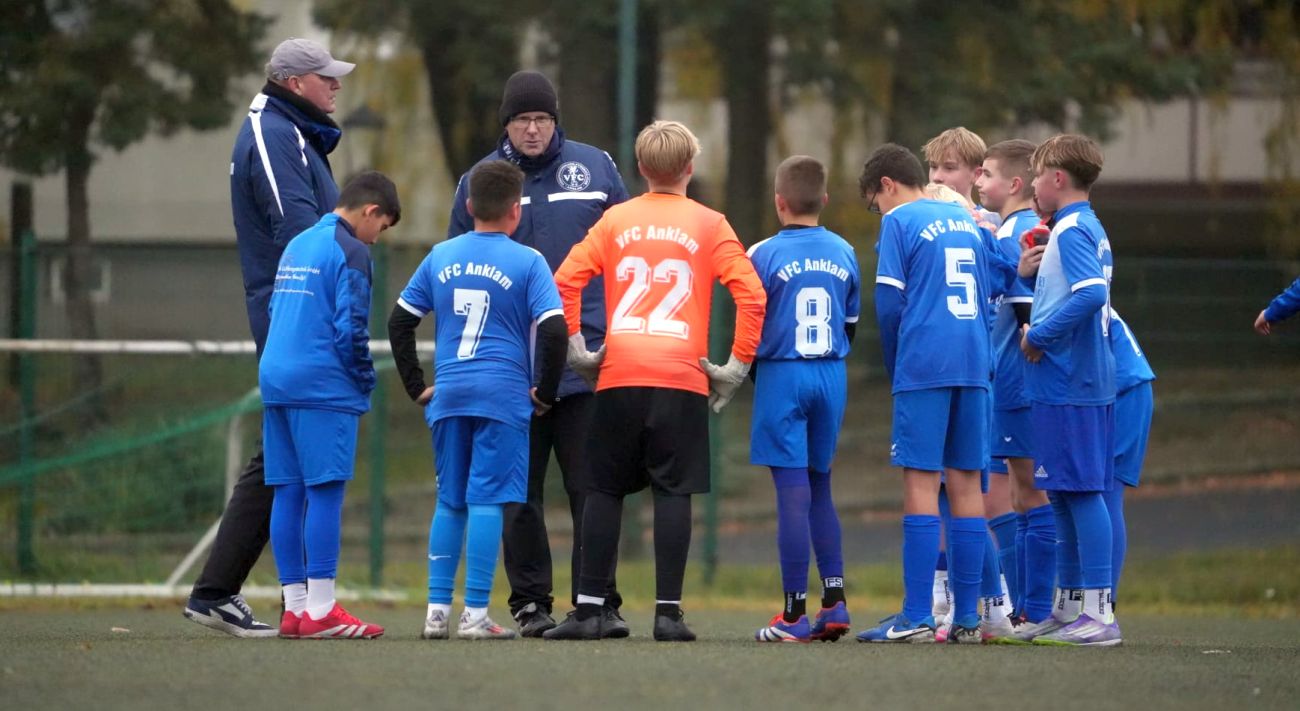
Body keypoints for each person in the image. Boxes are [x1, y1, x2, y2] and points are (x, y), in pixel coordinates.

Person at [543, 120, 766, 641]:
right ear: (690, 167)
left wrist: (578, 349)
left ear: (641, 168)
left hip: (620, 372)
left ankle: (589, 610)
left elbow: (565, 281)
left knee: (600, 488)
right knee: (673, 490)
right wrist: (735, 366)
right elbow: (752, 295)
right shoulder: (711, 224)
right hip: (680, 376)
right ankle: (668, 614)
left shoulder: (615, 220)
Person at [447, 70, 630, 637]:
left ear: (556, 120)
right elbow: (459, 266)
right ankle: (530, 602)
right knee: (517, 493)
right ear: (506, 123)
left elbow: (627, 247)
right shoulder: (478, 181)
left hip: (583, 361)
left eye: (542, 119)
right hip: (509, 367)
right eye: (522, 120)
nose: (532, 130)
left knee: (590, 487)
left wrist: (611, 334)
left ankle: (596, 600)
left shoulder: (596, 167)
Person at [185, 37, 355, 637]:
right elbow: (299, 237)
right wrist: (329, 315)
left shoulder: (292, 129)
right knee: (285, 459)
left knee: (281, 457)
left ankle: (252, 595)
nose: (336, 86)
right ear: (291, 81)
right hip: (294, 317)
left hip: (293, 314)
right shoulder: (274, 132)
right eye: (325, 78)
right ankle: (286, 600)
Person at [389, 161, 568, 641]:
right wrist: (546, 392)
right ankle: (474, 615)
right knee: (488, 500)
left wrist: (415, 384)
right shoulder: (528, 261)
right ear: (516, 211)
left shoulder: (440, 255)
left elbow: (399, 321)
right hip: (502, 395)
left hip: (450, 391)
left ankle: (435, 614)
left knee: (450, 502)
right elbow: (554, 329)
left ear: (468, 208)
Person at [855, 144, 993, 645]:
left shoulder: (900, 222)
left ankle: (915, 615)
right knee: (965, 485)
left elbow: (889, 304)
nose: (879, 212)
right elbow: (985, 290)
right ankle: (969, 619)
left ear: (888, 185)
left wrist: (897, 364)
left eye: (875, 202)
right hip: (974, 359)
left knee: (919, 481)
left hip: (927, 361)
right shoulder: (964, 218)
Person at [259, 171, 400, 640]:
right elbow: (351, 328)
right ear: (370, 212)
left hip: (276, 377)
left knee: (288, 490)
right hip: (321, 384)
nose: (378, 239)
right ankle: (321, 609)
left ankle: (296, 609)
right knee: (324, 492)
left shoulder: (299, 242)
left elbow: (276, 310)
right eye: (382, 227)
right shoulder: (352, 252)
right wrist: (364, 381)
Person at [1012, 134, 1120, 646]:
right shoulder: (1077, 228)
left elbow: (1092, 294)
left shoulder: (1074, 227)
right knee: (1060, 492)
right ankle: (1069, 606)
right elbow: (1073, 292)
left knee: (1079, 492)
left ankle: (1099, 613)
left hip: (1072, 381)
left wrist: (1040, 333)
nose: (1033, 184)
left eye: (1037, 176)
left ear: (1057, 178)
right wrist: (1033, 283)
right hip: (1065, 383)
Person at [746, 156, 860, 644]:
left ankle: (793, 612)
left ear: (779, 202)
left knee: (791, 492)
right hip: (831, 371)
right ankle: (834, 602)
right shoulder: (845, 250)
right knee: (822, 486)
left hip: (784, 371)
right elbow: (850, 321)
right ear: (825, 200)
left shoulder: (762, 253)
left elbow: (750, 324)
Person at [976, 139, 1058, 634]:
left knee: (1032, 493)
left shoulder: (1023, 234)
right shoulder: (1008, 231)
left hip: (1018, 383)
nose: (978, 182)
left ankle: (1037, 608)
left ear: (1013, 185)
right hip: (1008, 383)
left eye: (984, 174)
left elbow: (1032, 311)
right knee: (1020, 495)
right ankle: (1028, 606)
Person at [1105, 309, 1155, 607]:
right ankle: (1094, 601)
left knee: (1104, 491)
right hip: (1123, 389)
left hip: (1123, 392)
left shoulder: (1070, 285)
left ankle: (1102, 604)